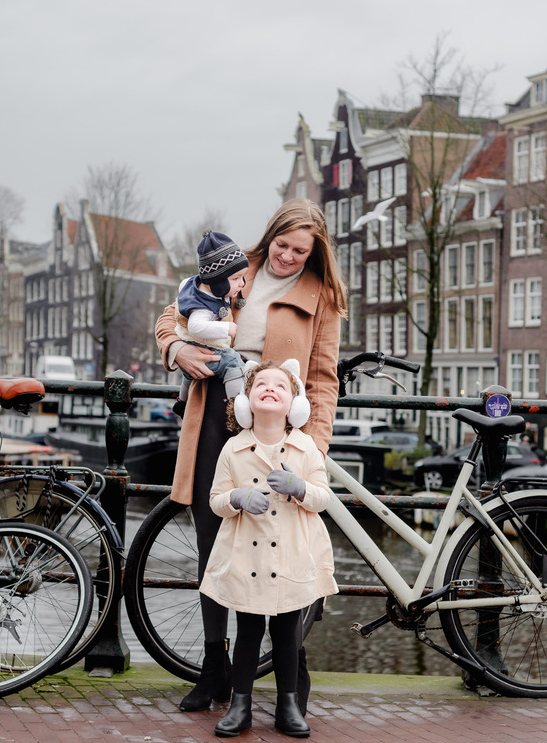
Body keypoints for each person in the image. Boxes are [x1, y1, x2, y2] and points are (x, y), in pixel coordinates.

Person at [155, 198, 345, 714]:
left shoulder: (322, 297)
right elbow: (171, 317)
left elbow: (324, 382)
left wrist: (315, 450)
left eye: (299, 251)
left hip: (280, 428)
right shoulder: (235, 269)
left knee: (289, 540)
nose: (286, 257)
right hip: (216, 419)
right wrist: (177, 350)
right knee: (215, 543)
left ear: (315, 251)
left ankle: (291, 670)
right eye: (281, 245)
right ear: (269, 237)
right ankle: (213, 670)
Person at [203, 360, 336, 738]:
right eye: (261, 383)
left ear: (293, 403)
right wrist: (238, 497)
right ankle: (240, 704)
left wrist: (299, 488)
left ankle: (288, 704)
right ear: (246, 400)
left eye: (281, 385)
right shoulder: (234, 449)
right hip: (248, 556)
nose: (270, 389)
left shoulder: (305, 446)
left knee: (287, 633)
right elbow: (215, 499)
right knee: (247, 631)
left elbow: (323, 497)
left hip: (291, 554)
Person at [172, 230, 250, 418]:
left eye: (242, 277)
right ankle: (236, 408)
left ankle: (181, 403)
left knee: (188, 375)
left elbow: (184, 284)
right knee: (232, 362)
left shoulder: (198, 286)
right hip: (200, 346)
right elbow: (195, 327)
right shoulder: (203, 307)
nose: (241, 284)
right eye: (235, 279)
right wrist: (226, 328)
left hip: (190, 344)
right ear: (217, 281)